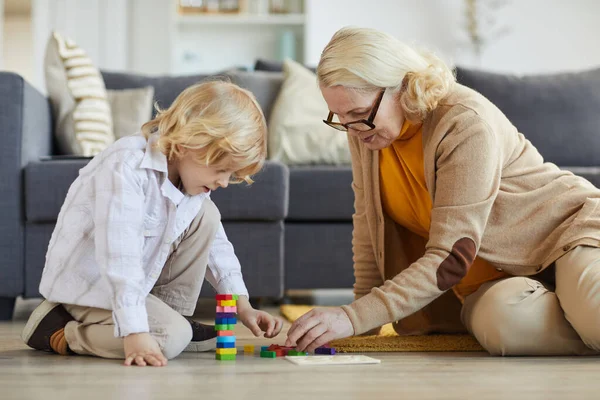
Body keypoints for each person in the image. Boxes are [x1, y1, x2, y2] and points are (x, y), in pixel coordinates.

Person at [285, 26, 600, 356]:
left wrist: (352, 317)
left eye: (359, 115)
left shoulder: (462, 121)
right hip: (494, 278)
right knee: (508, 328)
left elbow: (451, 255)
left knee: (594, 317)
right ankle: (575, 310)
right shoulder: (367, 132)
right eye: (341, 117)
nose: (351, 129)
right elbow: (369, 226)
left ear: (401, 86)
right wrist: (362, 319)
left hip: (567, 235)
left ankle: (582, 312)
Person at [22, 80, 283, 366]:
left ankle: (170, 319)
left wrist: (242, 306)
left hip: (136, 288)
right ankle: (60, 330)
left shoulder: (188, 179)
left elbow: (217, 247)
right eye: (221, 170)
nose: (223, 183)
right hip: (93, 287)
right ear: (187, 144)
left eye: (231, 176)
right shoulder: (126, 166)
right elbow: (119, 258)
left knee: (207, 216)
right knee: (170, 339)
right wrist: (134, 331)